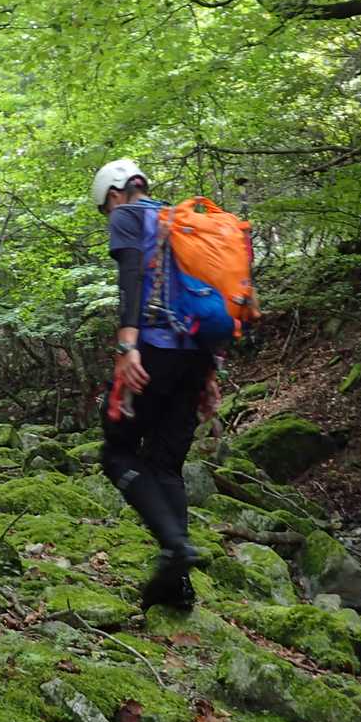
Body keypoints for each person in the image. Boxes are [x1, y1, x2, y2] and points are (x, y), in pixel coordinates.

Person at [91, 158, 221, 611]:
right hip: (195, 357)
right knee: (166, 466)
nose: (108, 216)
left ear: (113, 194)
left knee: (117, 453)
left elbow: (130, 279)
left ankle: (175, 547)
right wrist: (210, 372)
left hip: (152, 350)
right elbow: (210, 296)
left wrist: (127, 345)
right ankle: (178, 585)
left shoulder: (128, 216)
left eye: (105, 209)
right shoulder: (182, 220)